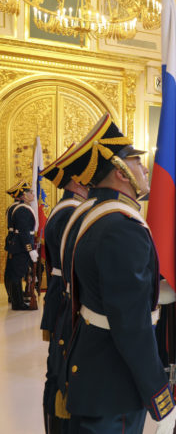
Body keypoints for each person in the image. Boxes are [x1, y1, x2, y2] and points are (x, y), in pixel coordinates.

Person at [58, 114, 176, 433]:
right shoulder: (121, 229)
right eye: (137, 162)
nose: (145, 168)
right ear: (120, 172)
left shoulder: (90, 214)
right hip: (114, 382)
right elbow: (131, 326)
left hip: (93, 365)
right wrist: (159, 394)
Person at [39, 153, 89, 434]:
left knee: (57, 367)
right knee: (61, 370)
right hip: (65, 293)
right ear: (76, 181)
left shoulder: (63, 208)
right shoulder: (73, 211)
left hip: (59, 290)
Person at [4, 180, 37, 310]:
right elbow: (23, 232)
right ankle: (18, 303)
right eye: (30, 192)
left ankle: (14, 297)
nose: (32, 194)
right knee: (17, 274)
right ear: (23, 195)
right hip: (21, 246)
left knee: (13, 272)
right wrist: (30, 250)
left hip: (15, 244)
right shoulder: (23, 209)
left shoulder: (15, 207)